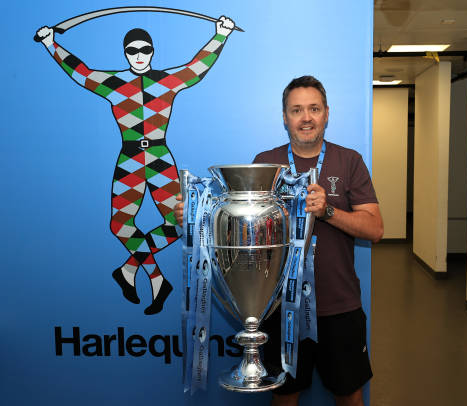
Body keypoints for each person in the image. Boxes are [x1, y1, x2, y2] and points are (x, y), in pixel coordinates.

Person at [175, 75, 383, 405]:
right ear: (285, 116)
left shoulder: (350, 161)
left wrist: (327, 211)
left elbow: (375, 229)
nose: (306, 118)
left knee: (350, 397)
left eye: (314, 108)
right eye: (297, 110)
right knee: (284, 397)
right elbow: (241, 225)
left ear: (327, 113)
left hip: (340, 306)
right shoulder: (266, 164)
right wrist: (197, 215)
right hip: (281, 306)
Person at [36, 16, 235, 315]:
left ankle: (130, 269)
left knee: (179, 222)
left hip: (158, 156)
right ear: (125, 53)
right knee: (120, 224)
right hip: (130, 157)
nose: (139, 55)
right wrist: (52, 44)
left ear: (153, 51)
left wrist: (220, 35)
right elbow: (82, 73)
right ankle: (156, 279)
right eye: (132, 50)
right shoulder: (113, 84)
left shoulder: (166, 81)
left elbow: (196, 69)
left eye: (145, 49)